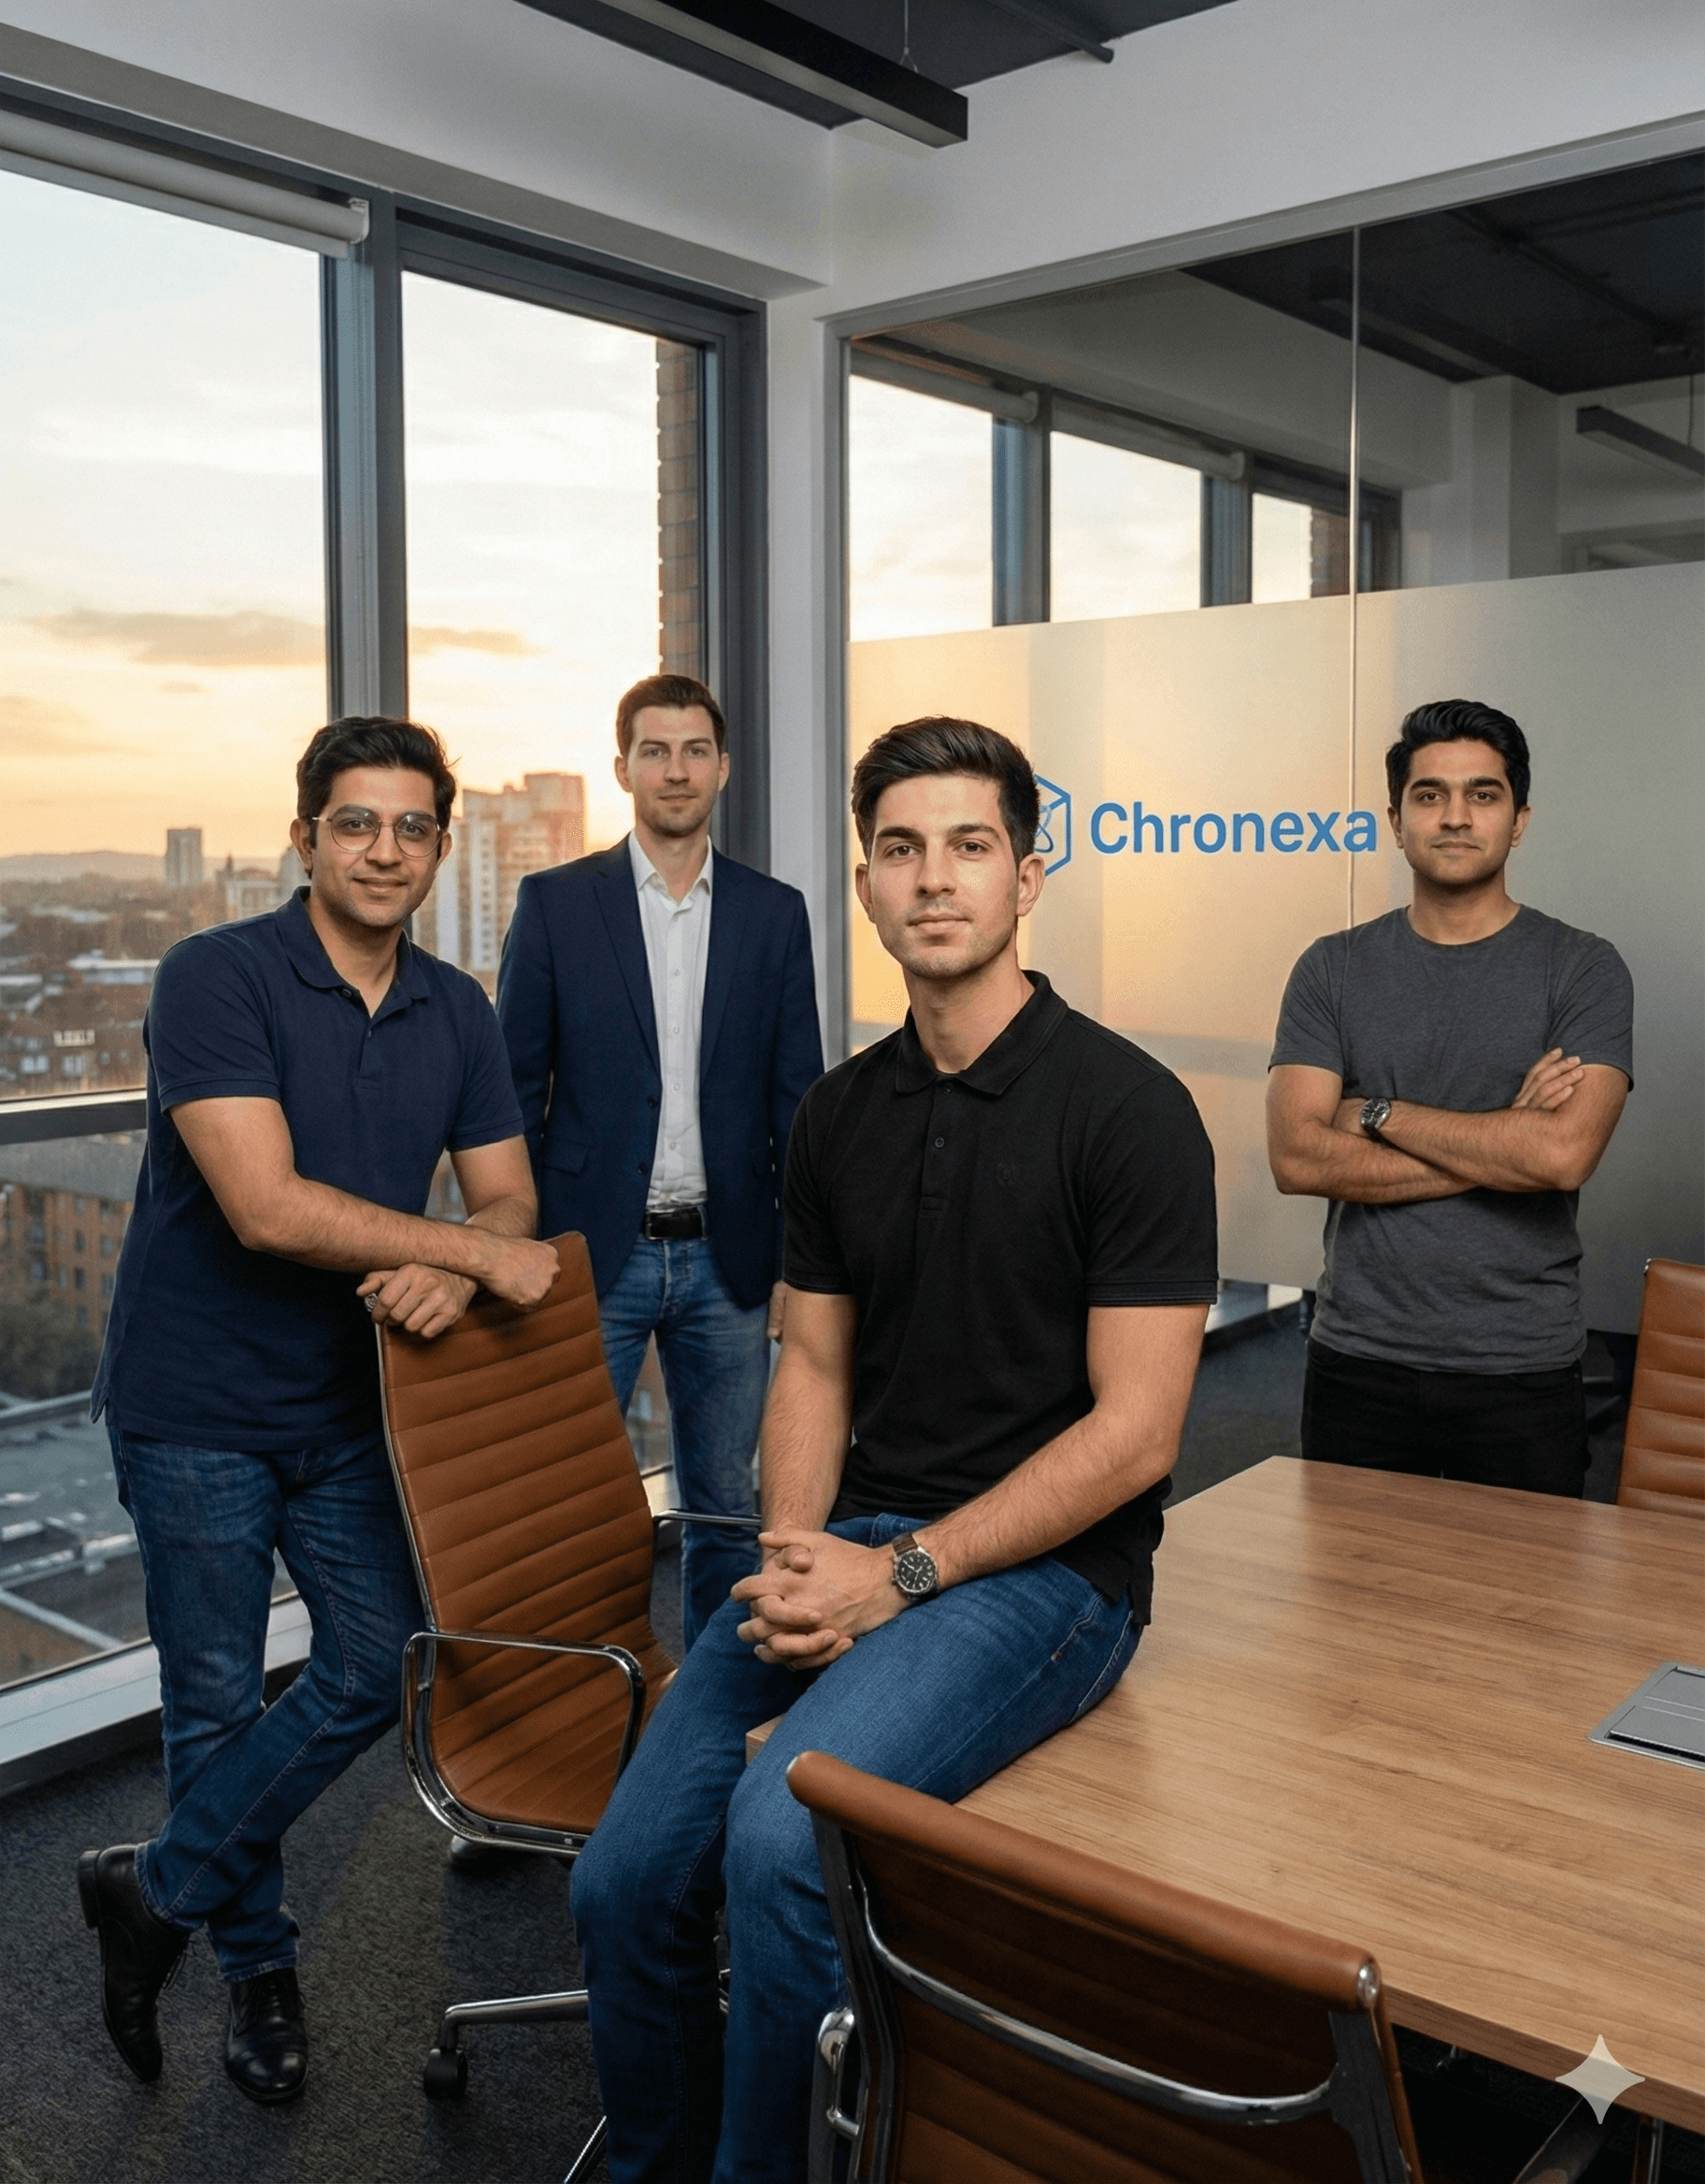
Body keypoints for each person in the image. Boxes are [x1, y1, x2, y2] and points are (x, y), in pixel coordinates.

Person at [567, 715, 1219, 2184]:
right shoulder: (842, 1112)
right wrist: (799, 1562)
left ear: (1029, 876)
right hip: (858, 1545)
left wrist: (898, 1580)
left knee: (778, 1848)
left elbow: (1137, 1436)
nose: (935, 880)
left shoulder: (1130, 1112)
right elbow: (812, 1360)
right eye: (903, 850)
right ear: (866, 884)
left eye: (970, 847)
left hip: (1049, 1578)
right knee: (620, 1882)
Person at [81, 717, 558, 2104]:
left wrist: (458, 1277)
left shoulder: (455, 1006)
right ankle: (259, 1971)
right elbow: (266, 1206)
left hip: (349, 1406)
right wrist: (465, 1255)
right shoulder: (214, 977)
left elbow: (510, 1197)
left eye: (413, 828)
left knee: (378, 1662)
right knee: (217, 1704)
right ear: (303, 837)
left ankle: (156, 1890)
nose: (386, 850)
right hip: (195, 1409)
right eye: (357, 822)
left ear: (439, 848)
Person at [497, 672, 823, 1648]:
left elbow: (796, 1097)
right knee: (571, 1495)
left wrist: (797, 1263)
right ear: (623, 767)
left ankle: (712, 1707)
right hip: (593, 1254)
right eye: (654, 750)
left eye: (693, 751)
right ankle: (586, 1689)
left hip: (728, 1257)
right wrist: (523, 1240)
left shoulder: (774, 912)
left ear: (721, 767)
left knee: (725, 1502)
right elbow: (514, 1088)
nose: (675, 770)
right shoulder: (555, 904)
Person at [1267, 697, 1633, 1492]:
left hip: (1521, 1371)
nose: (1456, 817)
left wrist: (1376, 1113)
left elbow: (1564, 1155)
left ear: (1519, 817)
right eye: (1430, 796)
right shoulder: (1331, 968)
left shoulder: (1581, 968)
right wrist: (1506, 1141)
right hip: (1356, 1360)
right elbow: (1296, 1155)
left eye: (1483, 794)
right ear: (1395, 821)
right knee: (1347, 1607)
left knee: (1519, 1611)